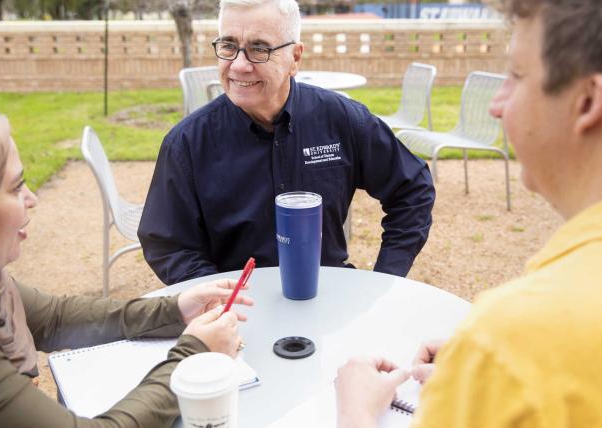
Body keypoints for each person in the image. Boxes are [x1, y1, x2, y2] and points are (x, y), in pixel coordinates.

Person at [335, 0, 602, 426]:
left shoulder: (514, 345)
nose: (496, 105)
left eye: (516, 77)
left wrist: (357, 411)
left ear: (587, 101)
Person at [0, 100, 254, 427]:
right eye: (16, 186)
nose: (32, 199)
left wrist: (176, 310)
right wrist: (192, 359)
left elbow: (54, 318)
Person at [137, 0, 436, 285]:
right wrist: (222, 301)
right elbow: (168, 243)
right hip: (237, 313)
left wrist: (385, 276)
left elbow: (412, 189)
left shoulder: (341, 119)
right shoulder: (187, 143)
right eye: (228, 46)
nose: (239, 65)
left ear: (295, 57)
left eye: (259, 48)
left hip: (329, 298)